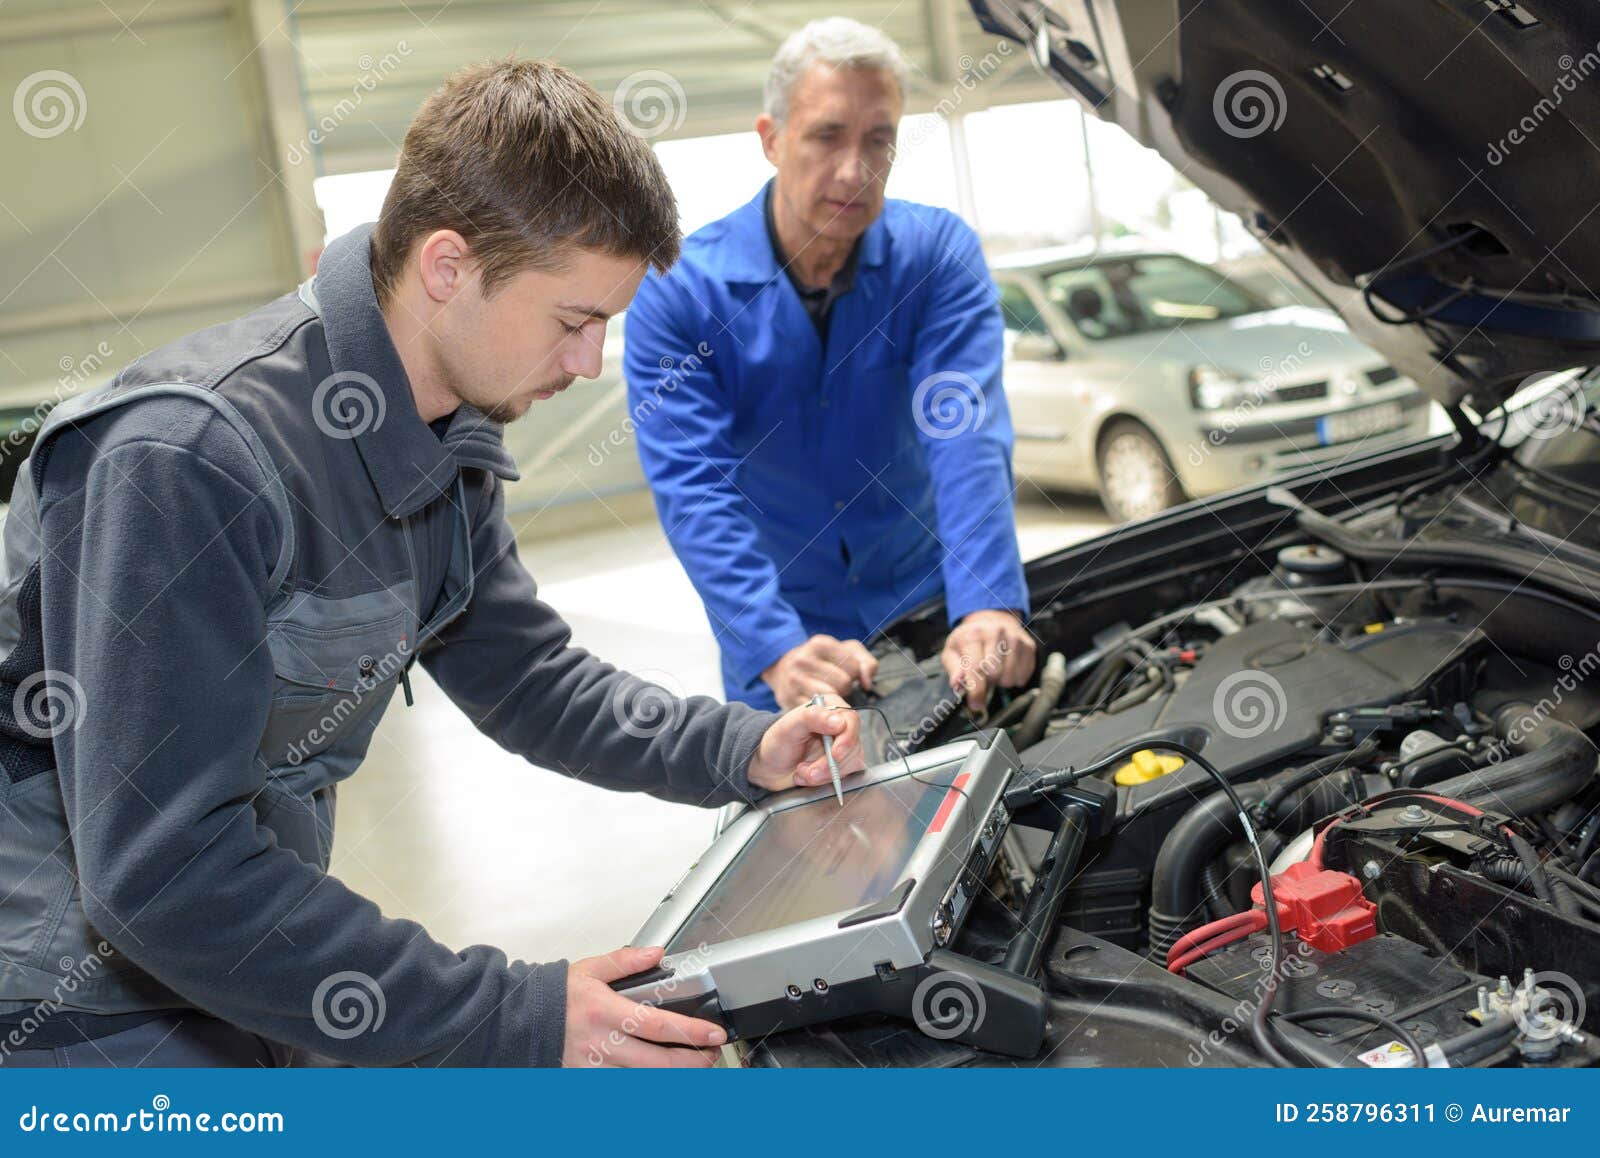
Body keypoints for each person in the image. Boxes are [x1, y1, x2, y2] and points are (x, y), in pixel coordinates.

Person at [0, 59, 862, 1069]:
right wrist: (516, 1015)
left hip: (245, 942)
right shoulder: (190, 459)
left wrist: (741, 750)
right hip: (75, 1004)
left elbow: (526, 678)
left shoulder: (445, 437)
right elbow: (163, 873)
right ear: (447, 266)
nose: (589, 364)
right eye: (574, 321)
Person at [624, 17, 1037, 715]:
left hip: (926, 597)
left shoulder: (936, 257)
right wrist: (771, 643)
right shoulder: (681, 292)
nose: (855, 169)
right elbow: (695, 486)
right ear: (772, 138)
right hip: (782, 620)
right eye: (826, 135)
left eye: (879, 139)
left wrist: (987, 600)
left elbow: (964, 431)